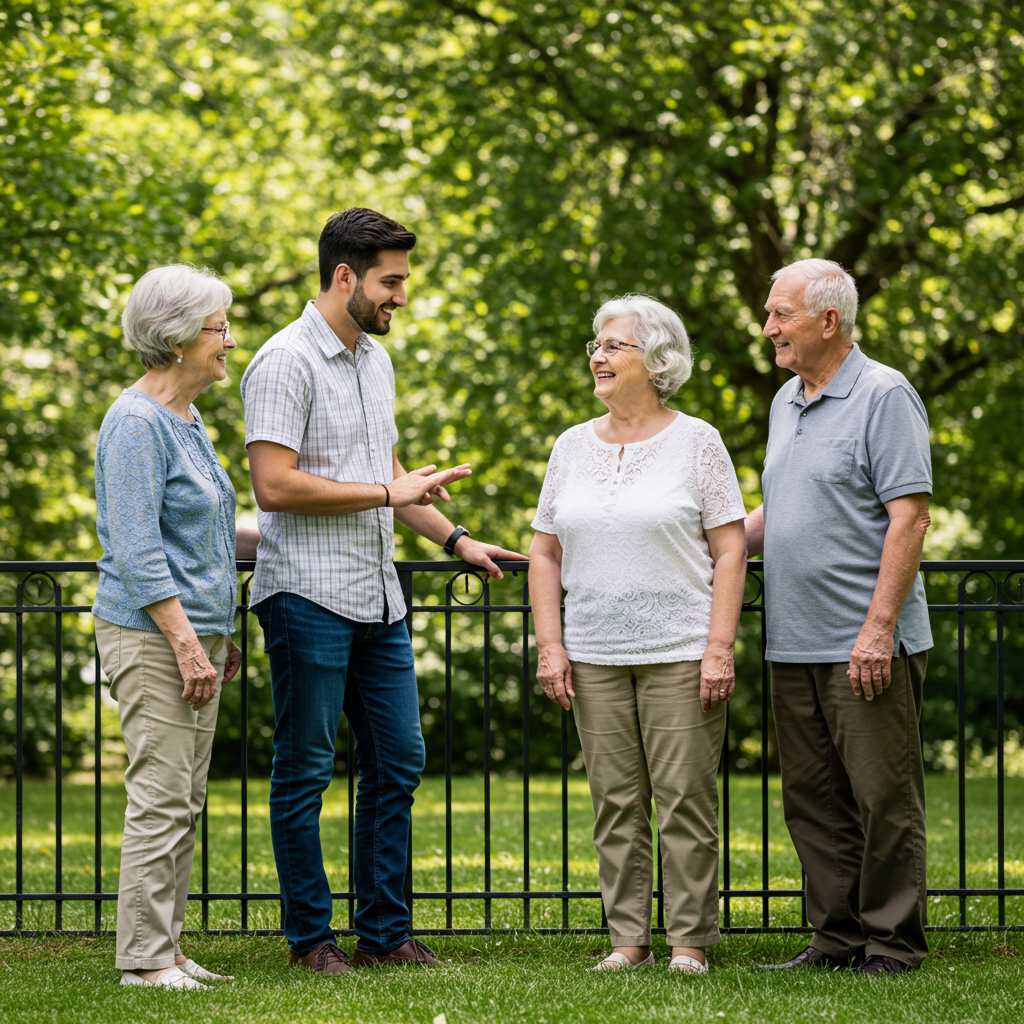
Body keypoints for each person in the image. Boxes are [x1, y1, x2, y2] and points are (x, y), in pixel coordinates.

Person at [241, 207, 525, 973]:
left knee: (398, 760)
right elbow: (274, 486)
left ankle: (384, 933)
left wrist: (457, 540)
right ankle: (311, 940)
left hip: (378, 597)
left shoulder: (376, 361)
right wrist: (386, 494)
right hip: (306, 596)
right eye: (390, 281)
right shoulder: (283, 361)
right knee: (305, 771)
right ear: (346, 277)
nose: (401, 295)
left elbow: (393, 480)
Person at [529, 294, 748, 974]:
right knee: (615, 803)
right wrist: (551, 646)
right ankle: (628, 941)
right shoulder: (570, 446)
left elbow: (731, 549)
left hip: (680, 651)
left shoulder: (698, 441)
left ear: (656, 361)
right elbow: (544, 551)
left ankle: (689, 942)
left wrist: (719, 648)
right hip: (593, 654)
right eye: (595, 345)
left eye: (613, 345)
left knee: (686, 800)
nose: (598, 356)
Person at [745, 259, 932, 977]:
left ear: (829, 320)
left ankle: (892, 944)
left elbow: (909, 517)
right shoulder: (785, 401)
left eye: (780, 314)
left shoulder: (884, 394)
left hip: (865, 640)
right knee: (814, 801)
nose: (768, 327)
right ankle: (837, 937)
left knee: (883, 798)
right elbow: (781, 510)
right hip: (793, 640)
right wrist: (699, 547)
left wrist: (879, 628)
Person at [92, 265, 260, 989]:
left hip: (195, 635)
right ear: (177, 338)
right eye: (220, 328)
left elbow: (204, 537)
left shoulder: (187, 420)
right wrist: (190, 645)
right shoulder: (136, 423)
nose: (230, 341)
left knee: (184, 799)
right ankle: (144, 959)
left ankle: (166, 945)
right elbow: (137, 551)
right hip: (152, 635)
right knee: (160, 797)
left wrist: (220, 632)